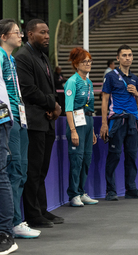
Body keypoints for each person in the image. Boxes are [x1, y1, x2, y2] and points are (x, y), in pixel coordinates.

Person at [15, 19, 63, 228]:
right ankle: (33, 215)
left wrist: (53, 106)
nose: (47, 36)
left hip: (46, 121)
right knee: (32, 171)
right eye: (42, 33)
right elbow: (28, 90)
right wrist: (52, 104)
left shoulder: (42, 56)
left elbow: (49, 88)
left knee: (41, 170)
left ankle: (42, 209)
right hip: (34, 121)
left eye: (48, 32)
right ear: (29, 34)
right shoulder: (23, 57)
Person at [0, 19, 41, 239]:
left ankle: (16, 219)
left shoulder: (12, 60)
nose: (20, 35)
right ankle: (13, 221)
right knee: (13, 170)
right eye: (16, 32)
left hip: (20, 118)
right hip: (9, 119)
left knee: (22, 170)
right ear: (3, 36)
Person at [100, 44, 138, 201]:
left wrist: (136, 93)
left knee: (131, 155)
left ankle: (131, 188)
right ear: (118, 58)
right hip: (117, 119)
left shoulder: (135, 78)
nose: (127, 58)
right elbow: (105, 100)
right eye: (124, 55)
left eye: (130, 55)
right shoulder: (111, 76)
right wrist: (104, 123)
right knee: (114, 155)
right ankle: (111, 190)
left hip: (133, 119)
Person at [64, 47, 98, 207]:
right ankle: (74, 194)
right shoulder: (72, 81)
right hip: (76, 123)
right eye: (84, 61)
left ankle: (81, 191)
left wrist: (92, 132)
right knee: (76, 159)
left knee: (86, 159)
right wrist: (72, 131)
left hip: (87, 122)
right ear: (76, 64)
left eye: (89, 61)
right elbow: (69, 108)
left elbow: (89, 107)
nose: (88, 64)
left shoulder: (89, 82)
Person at [0, 19, 18, 255]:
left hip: (1, 117)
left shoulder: (4, 56)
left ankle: (5, 232)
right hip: (6, 117)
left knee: (1, 173)